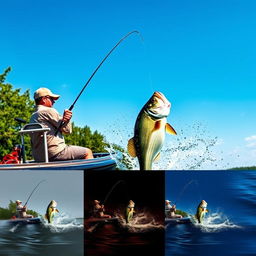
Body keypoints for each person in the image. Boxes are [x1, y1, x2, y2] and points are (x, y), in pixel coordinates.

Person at [29, 87, 94, 162]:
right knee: (87, 152)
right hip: (55, 152)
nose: (54, 102)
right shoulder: (49, 111)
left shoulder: (33, 116)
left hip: (39, 157)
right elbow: (67, 131)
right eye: (51, 99)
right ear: (44, 99)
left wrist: (64, 120)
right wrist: (67, 119)